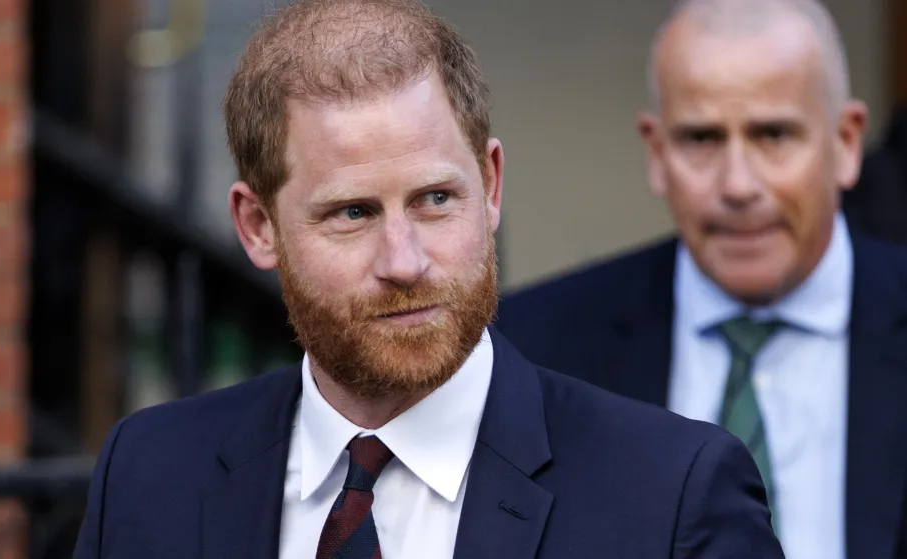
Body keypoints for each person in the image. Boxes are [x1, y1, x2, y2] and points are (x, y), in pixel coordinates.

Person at [72, 0, 784, 557]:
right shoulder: (151, 474)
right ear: (258, 226)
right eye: (353, 213)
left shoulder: (670, 492)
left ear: (491, 184)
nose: (405, 261)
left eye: (436, 199)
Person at [495, 1, 907, 558]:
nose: (737, 185)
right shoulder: (533, 350)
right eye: (702, 139)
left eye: (774, 135)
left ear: (846, 142)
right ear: (656, 152)